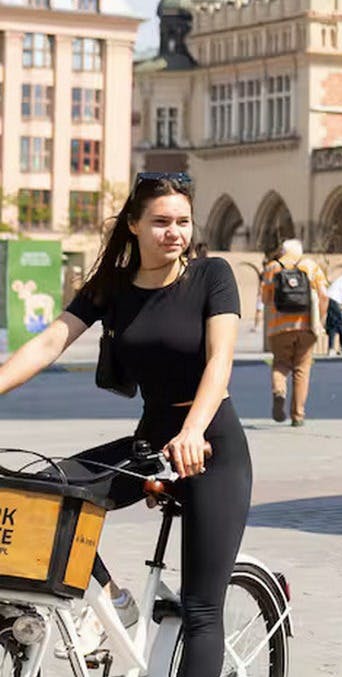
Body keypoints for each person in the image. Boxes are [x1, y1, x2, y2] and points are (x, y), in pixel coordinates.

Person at [0, 172, 250, 677]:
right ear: (134, 225)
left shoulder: (212, 276)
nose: (174, 232)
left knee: (202, 609)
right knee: (48, 497)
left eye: (183, 221)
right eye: (161, 222)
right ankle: (112, 602)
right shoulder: (111, 288)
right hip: (150, 444)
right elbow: (49, 343)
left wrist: (193, 430)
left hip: (209, 443)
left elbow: (220, 361)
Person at [260, 239, 328, 427]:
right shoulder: (311, 266)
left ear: (283, 251)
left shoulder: (272, 267)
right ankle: (298, 416)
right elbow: (324, 295)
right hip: (307, 326)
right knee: (302, 369)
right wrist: (321, 320)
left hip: (279, 327)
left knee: (280, 364)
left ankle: (279, 391)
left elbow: (265, 299)